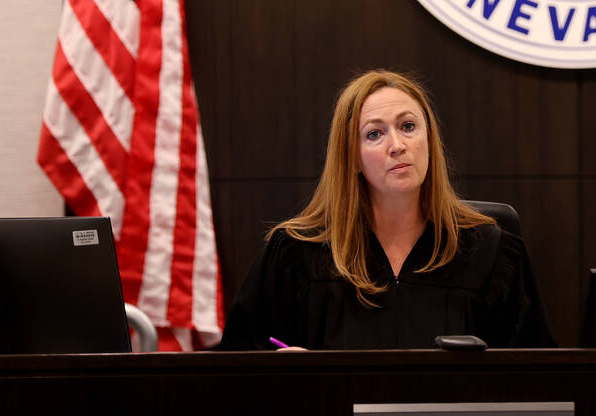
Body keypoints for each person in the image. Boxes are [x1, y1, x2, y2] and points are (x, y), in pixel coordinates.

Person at [217, 70, 555, 350]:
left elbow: (540, 379)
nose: (397, 146)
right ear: (352, 157)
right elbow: (236, 368)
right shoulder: (296, 254)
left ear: (429, 142)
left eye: (408, 126)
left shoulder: (491, 252)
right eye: (375, 134)